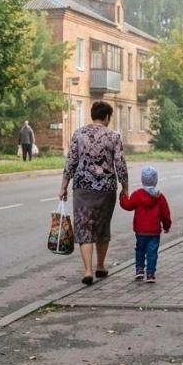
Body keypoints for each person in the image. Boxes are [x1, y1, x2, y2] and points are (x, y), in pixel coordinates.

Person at [59, 100, 128, 285]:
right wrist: (125, 187)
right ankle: (100, 266)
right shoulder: (113, 136)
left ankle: (87, 271)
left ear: (92, 115)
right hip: (106, 189)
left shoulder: (79, 134)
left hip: (82, 188)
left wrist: (64, 186)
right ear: (107, 117)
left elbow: (71, 161)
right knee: (102, 227)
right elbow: (120, 164)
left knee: (84, 227)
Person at [120, 165, 172, 283]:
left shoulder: (138, 194)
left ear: (142, 180)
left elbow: (128, 205)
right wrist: (167, 226)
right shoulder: (160, 197)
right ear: (156, 180)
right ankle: (150, 274)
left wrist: (122, 197)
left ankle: (139, 269)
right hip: (154, 231)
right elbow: (165, 214)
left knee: (140, 249)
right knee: (152, 252)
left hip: (140, 230)